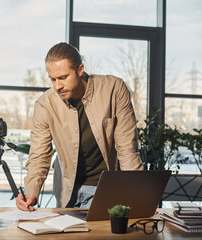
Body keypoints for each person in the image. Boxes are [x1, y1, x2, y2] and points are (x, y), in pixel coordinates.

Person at [15, 42, 143, 211]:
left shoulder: (114, 89)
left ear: (80, 70)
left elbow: (127, 149)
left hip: (103, 190)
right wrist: (31, 191)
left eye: (62, 77)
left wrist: (139, 196)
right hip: (66, 192)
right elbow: (39, 155)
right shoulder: (45, 104)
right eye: (52, 79)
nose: (57, 86)